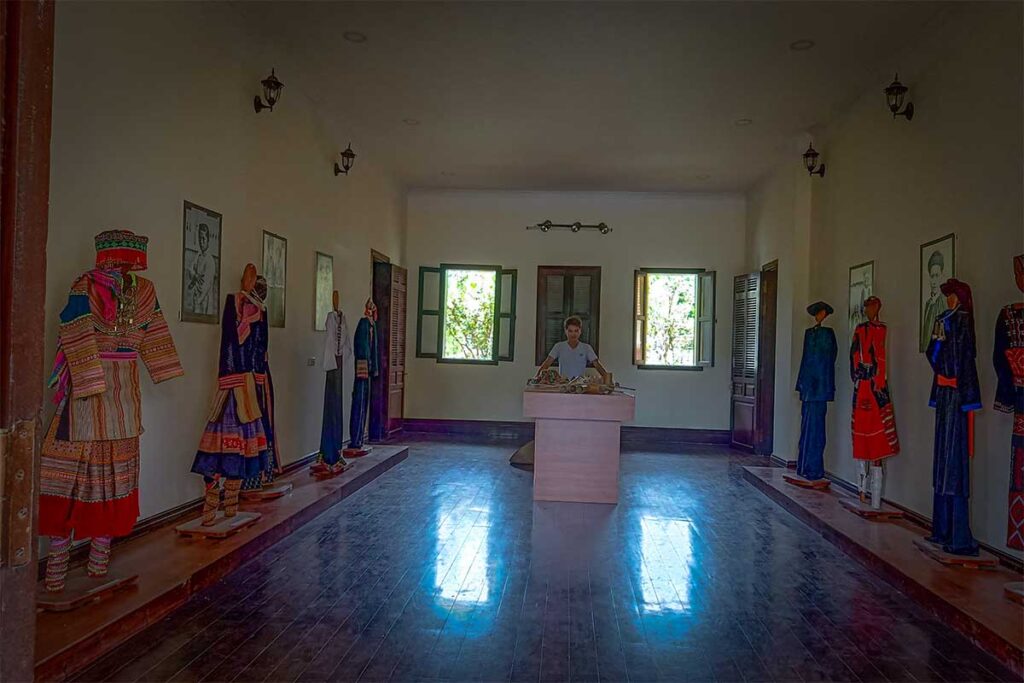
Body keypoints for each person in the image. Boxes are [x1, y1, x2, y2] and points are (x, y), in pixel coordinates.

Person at [536, 315, 609, 382]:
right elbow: (546, 364)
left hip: (580, 385)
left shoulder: (586, 348)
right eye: (570, 331)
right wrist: (536, 378)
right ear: (566, 331)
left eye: (576, 331)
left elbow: (597, 365)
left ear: (580, 331)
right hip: (563, 384)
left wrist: (607, 379)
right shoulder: (558, 346)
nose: (573, 334)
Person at [187, 222, 217, 316]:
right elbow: (190, 268)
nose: (201, 242)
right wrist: (195, 275)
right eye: (199, 239)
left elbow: (206, 285)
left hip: (204, 299)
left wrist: (198, 300)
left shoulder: (210, 260)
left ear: (208, 240)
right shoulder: (198, 255)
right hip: (196, 297)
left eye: (203, 238)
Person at [921, 250, 946, 352]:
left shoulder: (944, 302)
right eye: (932, 276)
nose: (934, 281)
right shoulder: (928, 304)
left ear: (941, 277)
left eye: (937, 276)